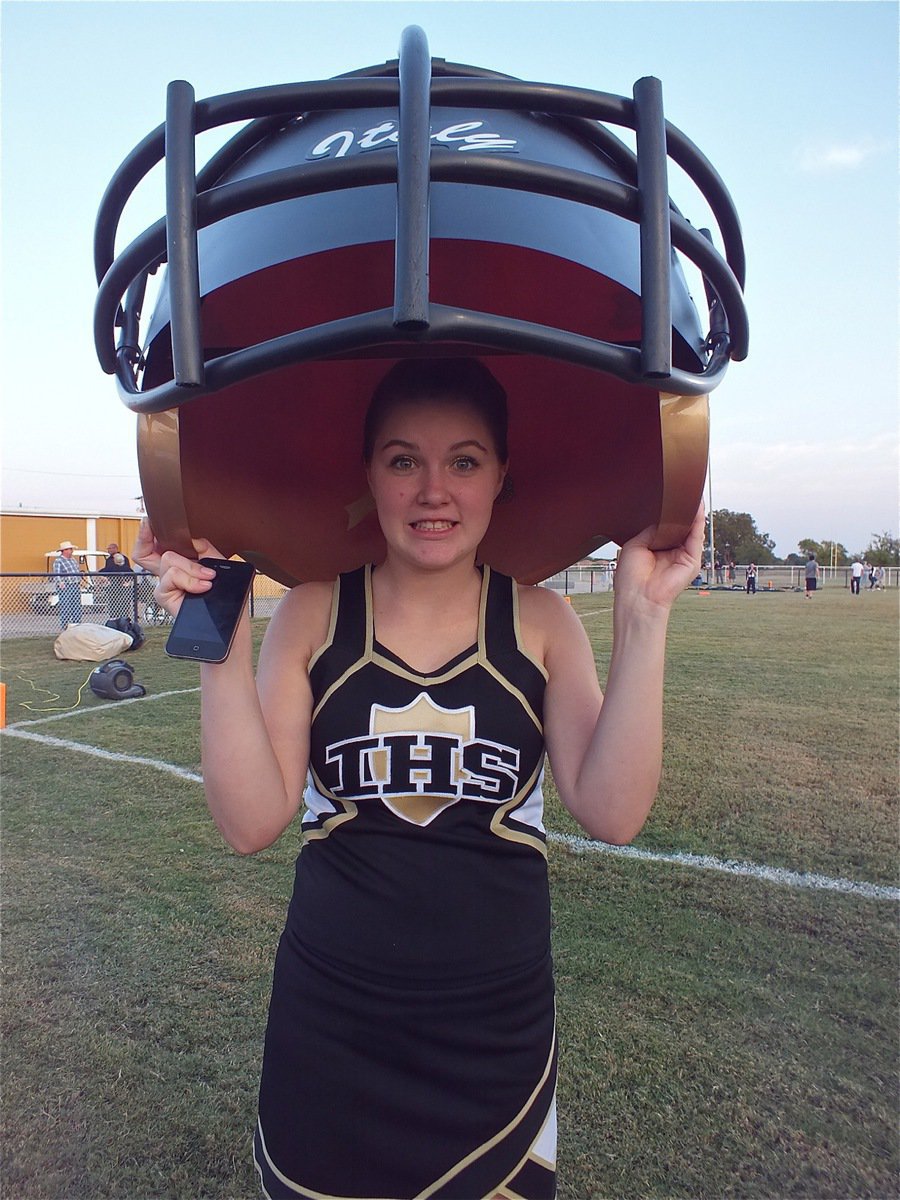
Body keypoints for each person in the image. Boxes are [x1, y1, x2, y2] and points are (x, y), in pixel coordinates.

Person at [133, 358, 703, 1200]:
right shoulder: (314, 613)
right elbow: (250, 823)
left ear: (501, 476)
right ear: (369, 473)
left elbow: (613, 811)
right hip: (331, 1032)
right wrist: (215, 640)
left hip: (494, 1041)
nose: (434, 491)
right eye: (404, 461)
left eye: (464, 462)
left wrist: (644, 614)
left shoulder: (540, 621)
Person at [52, 540, 83, 629]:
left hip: (75, 584)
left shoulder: (73, 560)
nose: (71, 551)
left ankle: (76, 624)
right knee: (66, 605)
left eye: (71, 549)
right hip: (65, 585)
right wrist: (60, 582)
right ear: (64, 551)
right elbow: (56, 573)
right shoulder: (58, 561)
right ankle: (65, 625)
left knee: (76, 605)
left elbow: (76, 570)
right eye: (69, 549)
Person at [99, 542, 134, 621]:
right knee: (113, 602)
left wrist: (127, 582)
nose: (109, 550)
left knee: (124, 602)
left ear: (115, 549)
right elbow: (107, 570)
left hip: (123, 584)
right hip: (113, 584)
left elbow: (129, 571)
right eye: (108, 549)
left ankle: (124, 618)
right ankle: (113, 618)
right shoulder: (108, 560)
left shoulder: (124, 558)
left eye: (110, 548)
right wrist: (103, 577)